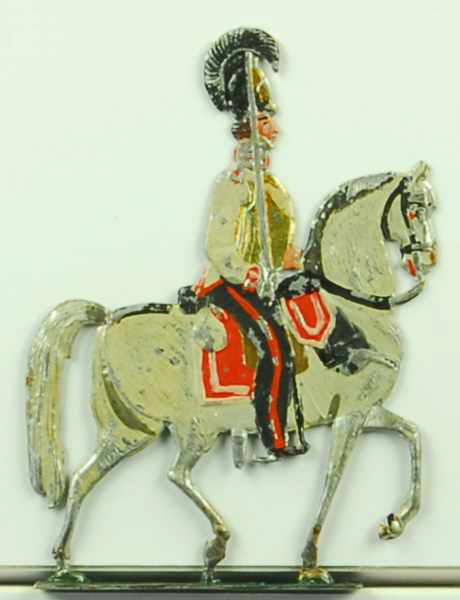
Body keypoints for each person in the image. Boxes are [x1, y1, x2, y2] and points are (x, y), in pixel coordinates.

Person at [194, 29, 308, 457]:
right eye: (266, 122)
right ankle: (273, 436)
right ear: (249, 130)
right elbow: (220, 248)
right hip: (230, 283)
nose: (275, 130)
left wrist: (293, 260)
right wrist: (253, 274)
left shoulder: (270, 186)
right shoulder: (234, 185)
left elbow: (275, 242)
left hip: (266, 280)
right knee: (275, 350)